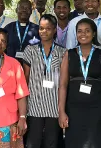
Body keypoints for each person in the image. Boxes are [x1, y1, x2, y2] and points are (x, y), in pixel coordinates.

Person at [59, 18, 101, 147]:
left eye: (87, 31)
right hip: (73, 111)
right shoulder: (69, 54)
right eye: (80, 31)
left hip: (97, 111)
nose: (83, 34)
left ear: (94, 33)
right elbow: (62, 85)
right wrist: (61, 111)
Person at [23, 14, 67, 148]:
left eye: (48, 28)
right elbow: (25, 79)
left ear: (54, 30)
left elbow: (64, 83)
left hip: (54, 107)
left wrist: (62, 110)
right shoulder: (30, 50)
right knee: (32, 142)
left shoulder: (62, 52)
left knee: (51, 143)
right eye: (41, 28)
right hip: (34, 107)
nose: (44, 31)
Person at [4, 0, 39, 64]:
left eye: (27, 8)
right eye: (21, 7)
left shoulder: (37, 29)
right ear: (16, 10)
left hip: (31, 68)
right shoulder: (8, 28)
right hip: (10, 67)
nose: (24, 10)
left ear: (31, 11)